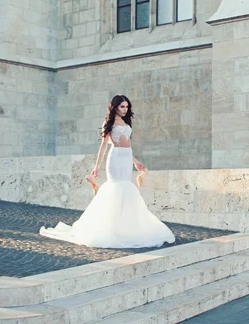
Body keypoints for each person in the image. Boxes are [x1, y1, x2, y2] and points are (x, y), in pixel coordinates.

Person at [40, 95, 176, 248]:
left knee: (127, 189)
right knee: (116, 188)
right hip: (115, 158)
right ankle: (108, 229)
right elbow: (104, 146)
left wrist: (136, 162)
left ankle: (125, 229)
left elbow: (128, 146)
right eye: (122, 106)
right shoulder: (109, 122)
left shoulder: (126, 122)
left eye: (126, 107)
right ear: (115, 107)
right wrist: (97, 166)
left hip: (126, 158)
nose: (125, 109)